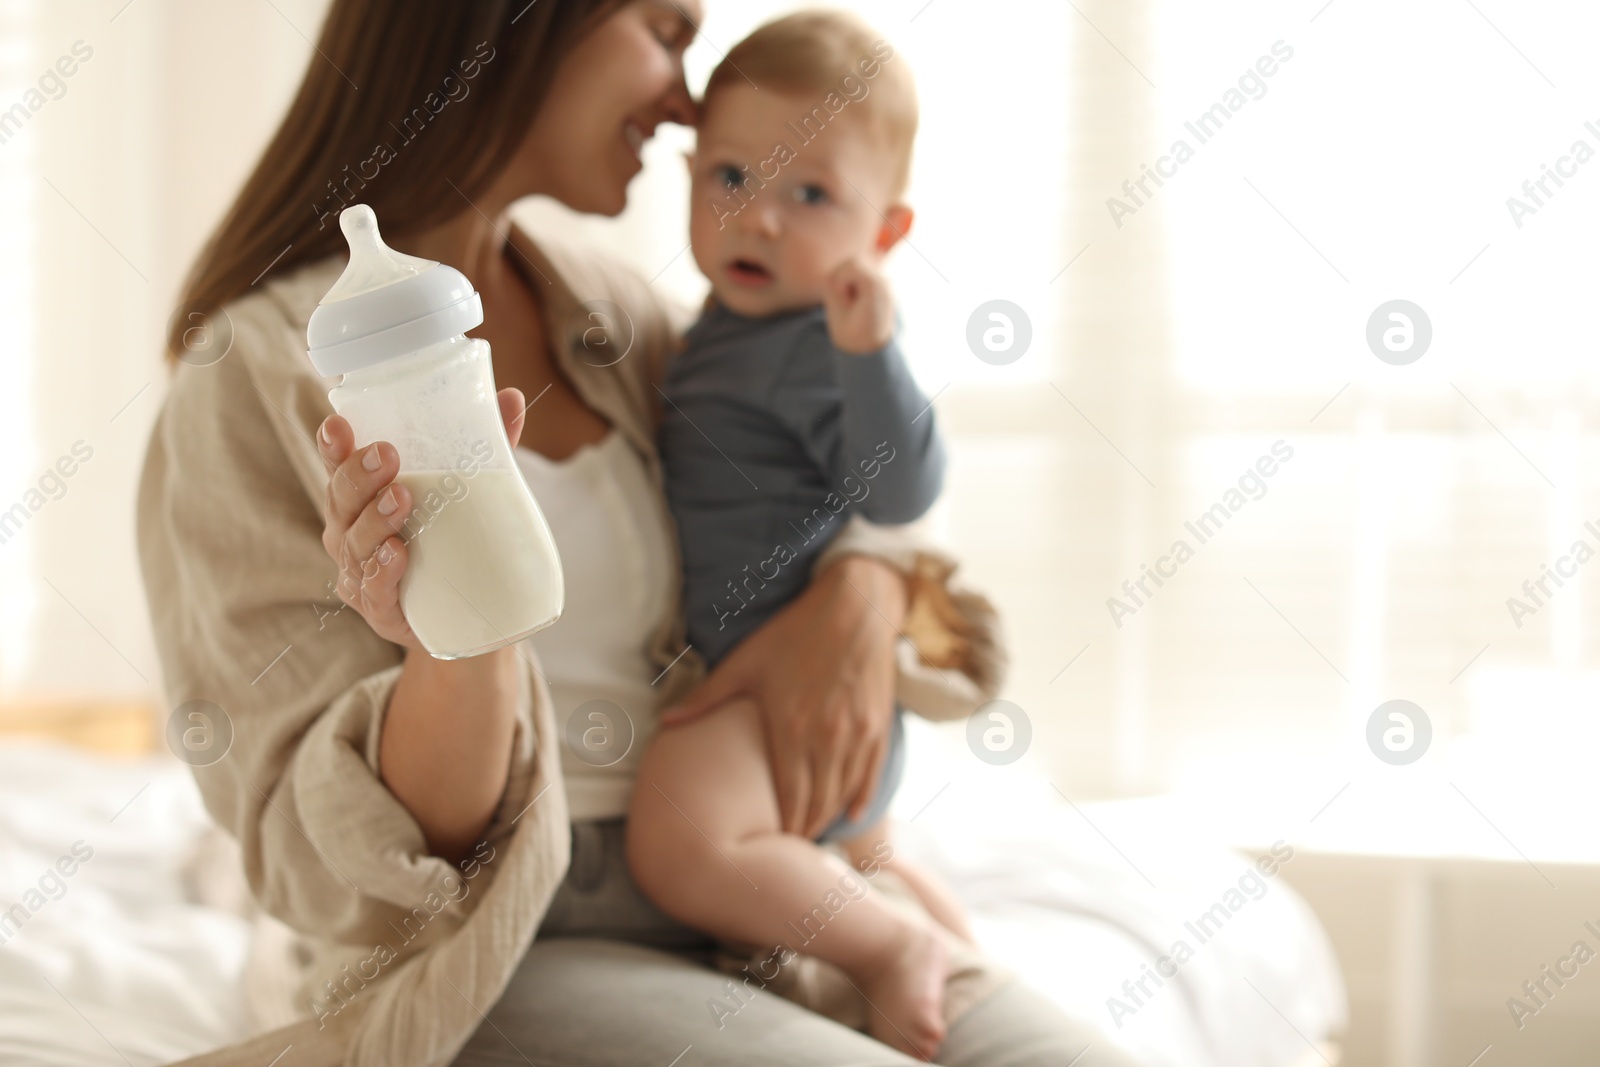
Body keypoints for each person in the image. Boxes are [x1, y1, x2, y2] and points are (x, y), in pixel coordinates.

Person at [137, 2, 1146, 1065]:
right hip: (506, 939)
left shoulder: (622, 317)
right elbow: (332, 864)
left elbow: (839, 478)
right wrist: (449, 640)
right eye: (667, 31)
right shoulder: (252, 379)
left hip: (746, 893)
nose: (686, 99)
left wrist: (858, 590)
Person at [628, 12, 969, 1059]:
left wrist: (872, 352)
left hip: (793, 689)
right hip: (777, 682)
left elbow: (904, 487)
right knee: (853, 849)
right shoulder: (723, 331)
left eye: (807, 193)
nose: (757, 219)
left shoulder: (823, 344)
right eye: (729, 176)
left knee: (679, 834)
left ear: (885, 231)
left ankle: (887, 949)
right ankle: (921, 910)